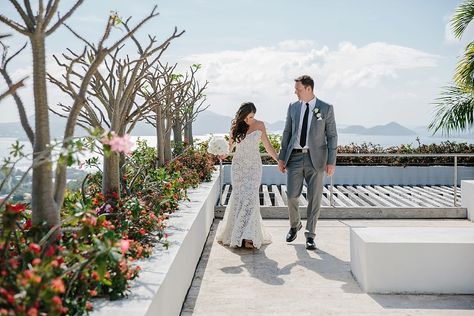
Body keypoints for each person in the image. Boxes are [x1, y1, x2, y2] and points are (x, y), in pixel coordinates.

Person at [278, 75, 337, 250]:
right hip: (294, 157)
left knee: (315, 198)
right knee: (291, 196)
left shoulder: (325, 108)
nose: (295, 91)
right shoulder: (293, 107)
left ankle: (310, 235)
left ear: (309, 89)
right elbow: (287, 132)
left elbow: (332, 135)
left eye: (298, 89)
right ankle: (295, 225)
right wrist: (282, 157)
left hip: (317, 159)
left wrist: (331, 161)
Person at [216, 102, 279, 249]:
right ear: (242, 115)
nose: (249, 120)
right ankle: (241, 236)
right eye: (247, 117)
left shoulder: (260, 125)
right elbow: (229, 147)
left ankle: (249, 236)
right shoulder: (235, 127)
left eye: (252, 117)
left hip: (254, 167)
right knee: (240, 198)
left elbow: (268, 146)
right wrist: (222, 154)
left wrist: (278, 160)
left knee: (251, 198)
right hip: (238, 167)